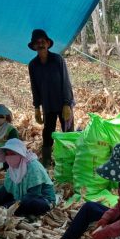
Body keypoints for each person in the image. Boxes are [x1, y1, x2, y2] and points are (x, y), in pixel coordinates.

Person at [28, 29, 75, 167]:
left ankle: (70, 160)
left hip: (63, 103)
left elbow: (66, 82)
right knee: (48, 133)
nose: (41, 45)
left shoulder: (57, 60)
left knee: (68, 132)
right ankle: (47, 161)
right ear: (34, 46)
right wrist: (37, 107)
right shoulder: (33, 65)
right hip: (48, 105)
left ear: (48, 43)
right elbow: (34, 87)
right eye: (37, 43)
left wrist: (67, 103)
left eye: (43, 41)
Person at [0, 139, 55, 217]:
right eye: (7, 154)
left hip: (42, 199)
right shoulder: (12, 168)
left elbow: (33, 194)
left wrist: (9, 206)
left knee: (30, 203)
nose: (9, 157)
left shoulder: (33, 166)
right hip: (22, 197)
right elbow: (7, 188)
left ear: (20, 154)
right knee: (2, 197)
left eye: (12, 153)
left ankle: (14, 210)